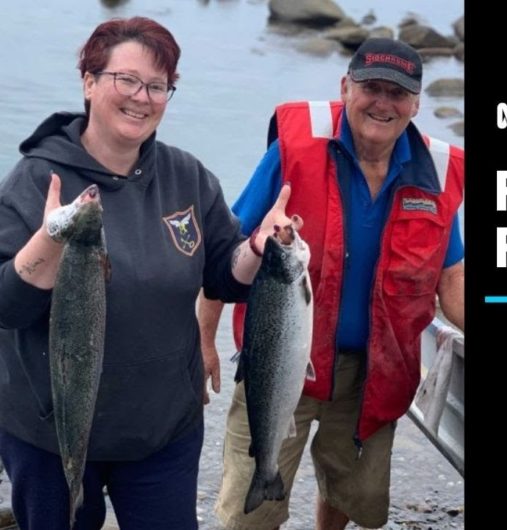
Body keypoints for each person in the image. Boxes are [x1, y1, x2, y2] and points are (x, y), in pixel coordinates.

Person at [0, 17, 293, 530]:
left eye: (158, 86)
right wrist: (49, 239)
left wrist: (259, 248)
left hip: (163, 430)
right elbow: (7, 307)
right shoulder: (33, 178)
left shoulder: (186, 175)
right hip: (53, 433)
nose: (142, 97)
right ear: (89, 81)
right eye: (127, 80)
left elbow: (225, 276)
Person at [198, 37, 464, 529]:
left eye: (398, 93)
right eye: (371, 88)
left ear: (417, 103)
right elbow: (226, 253)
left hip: (374, 371)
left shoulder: (439, 172)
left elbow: (453, 281)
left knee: (347, 489)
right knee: (248, 508)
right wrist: (203, 343)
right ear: (346, 87)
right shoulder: (294, 147)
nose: (383, 103)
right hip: (278, 360)